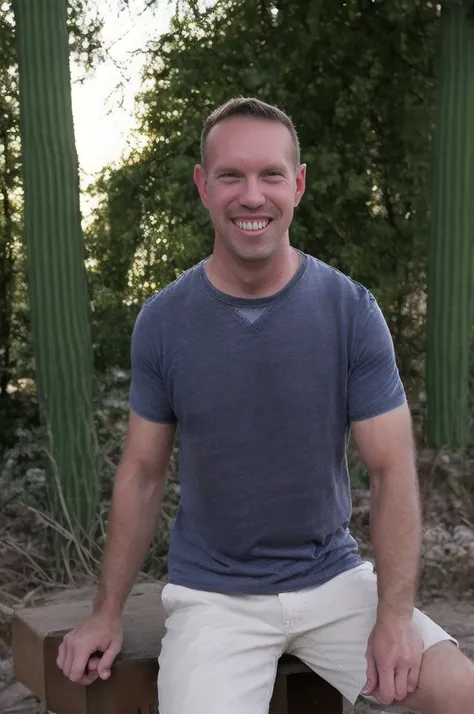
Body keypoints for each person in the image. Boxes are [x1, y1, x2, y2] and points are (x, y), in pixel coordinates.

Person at [56, 97, 474, 713]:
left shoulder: (350, 310)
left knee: (460, 693)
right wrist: (105, 613)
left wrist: (394, 617)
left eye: (270, 175)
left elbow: (391, 471)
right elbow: (142, 475)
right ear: (204, 186)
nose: (252, 196)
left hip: (335, 580)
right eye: (231, 176)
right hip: (214, 598)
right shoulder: (164, 322)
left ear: (297, 184)